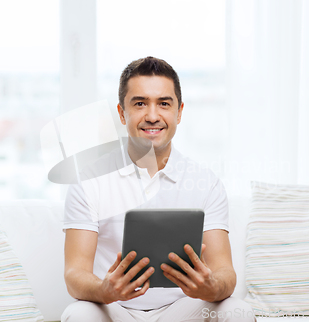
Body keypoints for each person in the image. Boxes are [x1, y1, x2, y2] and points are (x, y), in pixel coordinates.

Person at [61, 56, 255, 321]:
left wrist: (211, 287)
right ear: (121, 113)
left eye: (164, 104)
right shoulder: (90, 180)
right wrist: (104, 290)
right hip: (115, 309)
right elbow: (75, 275)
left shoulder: (206, 182)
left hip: (184, 309)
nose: (152, 116)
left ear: (179, 112)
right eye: (140, 104)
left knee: (237, 310)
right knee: (78, 313)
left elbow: (225, 274)